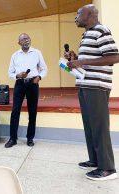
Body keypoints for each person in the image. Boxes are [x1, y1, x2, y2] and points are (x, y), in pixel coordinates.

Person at [65, 4, 119, 181]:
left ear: (90, 14)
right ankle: (95, 160)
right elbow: (89, 61)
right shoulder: (87, 34)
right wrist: (76, 59)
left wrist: (83, 61)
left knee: (99, 127)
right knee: (89, 125)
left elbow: (114, 57)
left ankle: (107, 169)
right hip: (85, 85)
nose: (76, 17)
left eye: (79, 13)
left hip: (97, 87)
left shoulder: (101, 30)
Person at [5, 33, 47, 148]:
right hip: (20, 83)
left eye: (28, 38)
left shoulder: (37, 53)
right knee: (15, 112)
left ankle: (30, 138)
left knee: (32, 112)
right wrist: (18, 75)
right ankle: (13, 139)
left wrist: (39, 77)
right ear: (19, 43)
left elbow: (44, 69)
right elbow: (10, 73)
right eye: (23, 39)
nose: (26, 40)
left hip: (33, 84)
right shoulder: (15, 55)